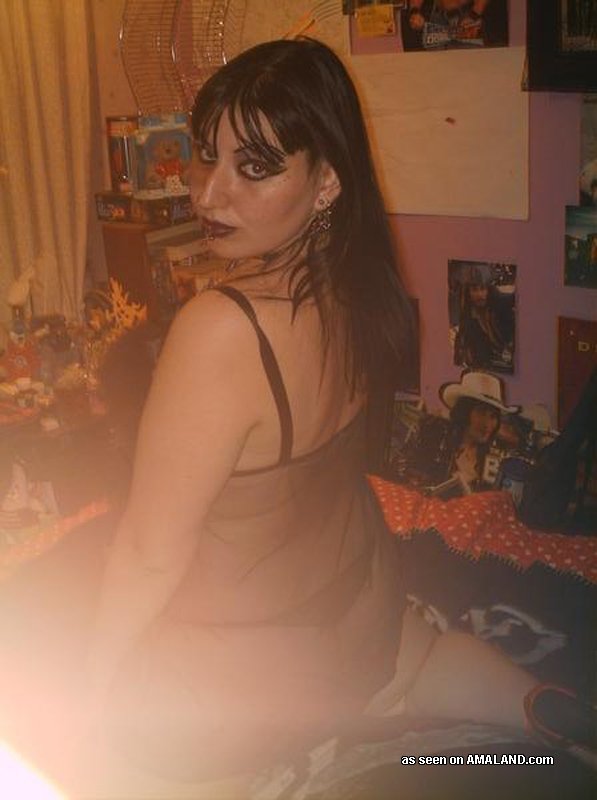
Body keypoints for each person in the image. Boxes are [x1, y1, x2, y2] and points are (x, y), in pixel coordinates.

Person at [0, 38, 593, 799]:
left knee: (44, 676)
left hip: (245, 685)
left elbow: (148, 552)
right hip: (359, 611)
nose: (208, 195)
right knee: (413, 656)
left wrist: (92, 697)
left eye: (254, 167)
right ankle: (539, 710)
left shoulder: (220, 327)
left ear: (326, 181)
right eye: (205, 156)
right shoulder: (362, 292)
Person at [453, 264, 515, 373]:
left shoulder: (500, 306)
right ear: (468, 293)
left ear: (488, 290)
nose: (479, 295)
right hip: (483, 366)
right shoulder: (468, 314)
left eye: (483, 289)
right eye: (474, 290)